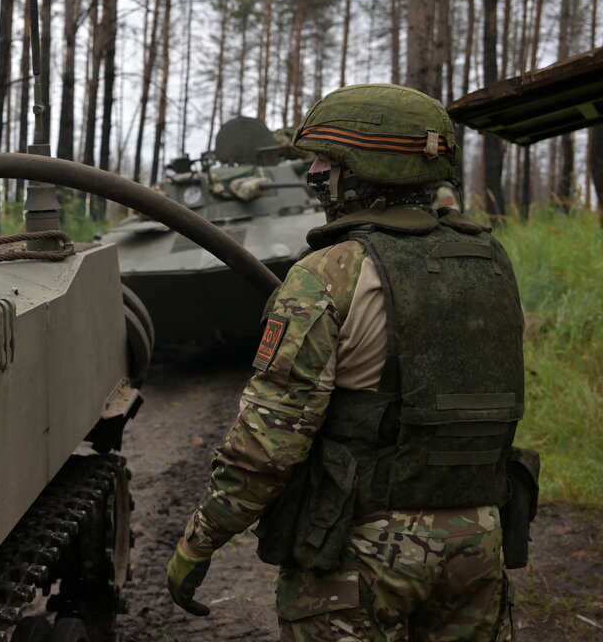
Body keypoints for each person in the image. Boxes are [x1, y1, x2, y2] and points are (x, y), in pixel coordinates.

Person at [166, 84, 537, 640]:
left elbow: (267, 444)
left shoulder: (328, 272)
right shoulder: (490, 259)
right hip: (479, 544)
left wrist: (200, 540)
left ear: (364, 168)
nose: (315, 172)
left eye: (327, 160)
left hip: (360, 556)